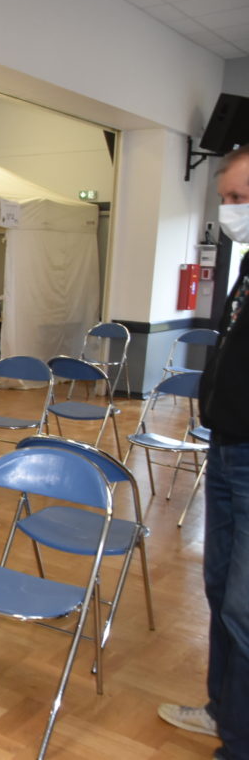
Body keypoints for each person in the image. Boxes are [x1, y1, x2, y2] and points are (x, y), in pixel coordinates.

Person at [160, 145, 249, 759]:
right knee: (220, 588)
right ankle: (224, 713)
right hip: (227, 447)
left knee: (244, 606)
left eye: (240, 197)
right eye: (226, 198)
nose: (229, 210)